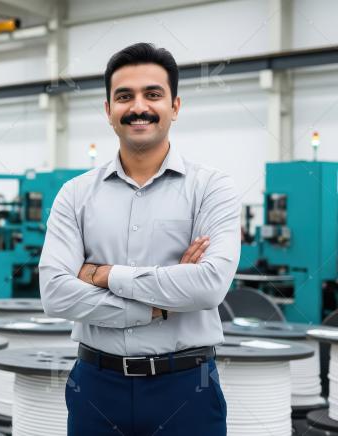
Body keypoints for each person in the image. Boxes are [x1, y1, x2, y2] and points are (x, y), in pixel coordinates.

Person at [39, 43, 239, 435]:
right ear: (108, 109)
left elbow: (209, 286)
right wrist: (158, 306)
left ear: (175, 107)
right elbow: (55, 292)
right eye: (124, 96)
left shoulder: (212, 188)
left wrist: (103, 274)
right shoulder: (75, 195)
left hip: (187, 390)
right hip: (97, 388)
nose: (138, 107)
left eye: (153, 94)